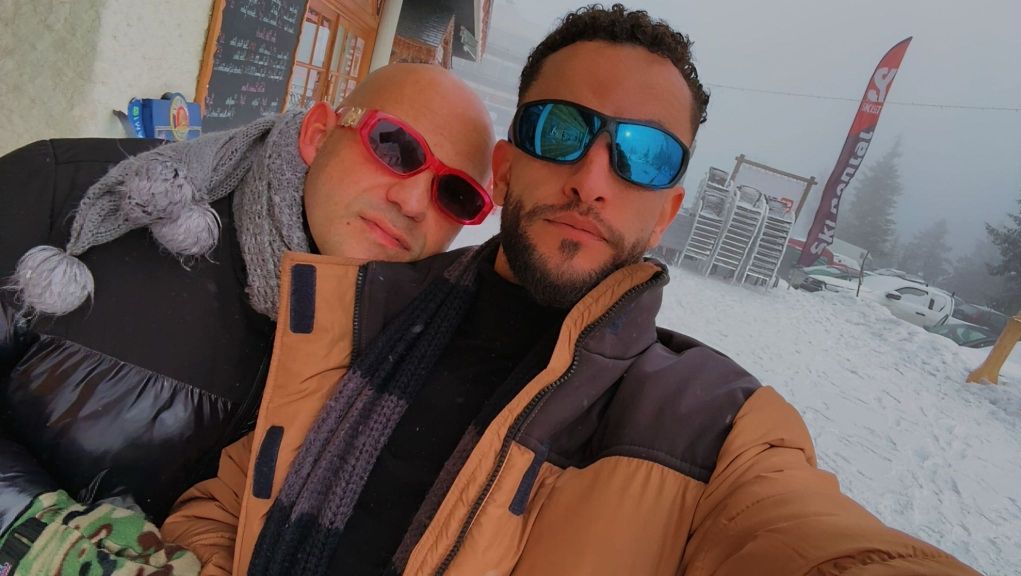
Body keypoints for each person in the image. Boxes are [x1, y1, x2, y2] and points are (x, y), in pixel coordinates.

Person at [154, 5, 978, 575]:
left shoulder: (713, 424)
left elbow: (810, 539)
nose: (593, 179)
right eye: (563, 130)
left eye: (645, 156)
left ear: (667, 212)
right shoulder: (365, 309)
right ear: (508, 168)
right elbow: (229, 505)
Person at [0, 64, 494, 571]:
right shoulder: (76, 196)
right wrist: (44, 542)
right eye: (394, 147)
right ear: (318, 134)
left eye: (455, 195)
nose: (412, 202)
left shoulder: (401, 363)